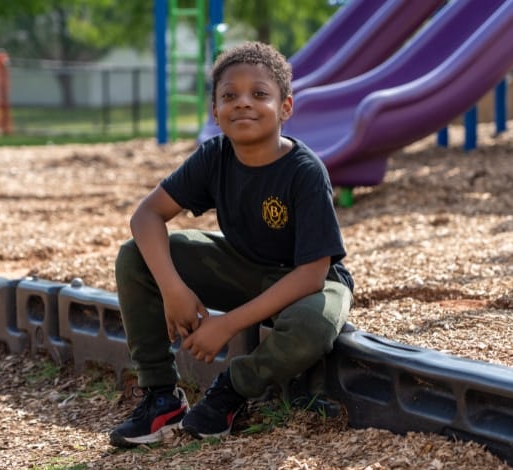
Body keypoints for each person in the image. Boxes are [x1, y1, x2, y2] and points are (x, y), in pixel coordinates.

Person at [109, 41, 353, 448]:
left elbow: (311, 273)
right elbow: (145, 216)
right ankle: (160, 396)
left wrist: (227, 324)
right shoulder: (214, 156)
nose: (243, 103)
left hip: (309, 282)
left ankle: (233, 391)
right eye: (229, 95)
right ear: (215, 112)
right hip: (243, 266)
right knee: (136, 257)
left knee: (315, 326)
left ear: (286, 107)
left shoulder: (305, 172)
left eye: (259, 94)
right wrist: (174, 290)